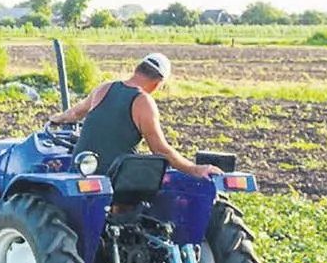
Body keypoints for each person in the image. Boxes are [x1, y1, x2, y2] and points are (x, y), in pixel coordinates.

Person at [46, 51, 220, 179]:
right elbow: (159, 149)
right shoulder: (143, 101)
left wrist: (58, 118)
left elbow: (75, 113)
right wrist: (194, 169)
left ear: (137, 70)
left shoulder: (103, 89)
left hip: (81, 173)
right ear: (158, 83)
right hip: (116, 179)